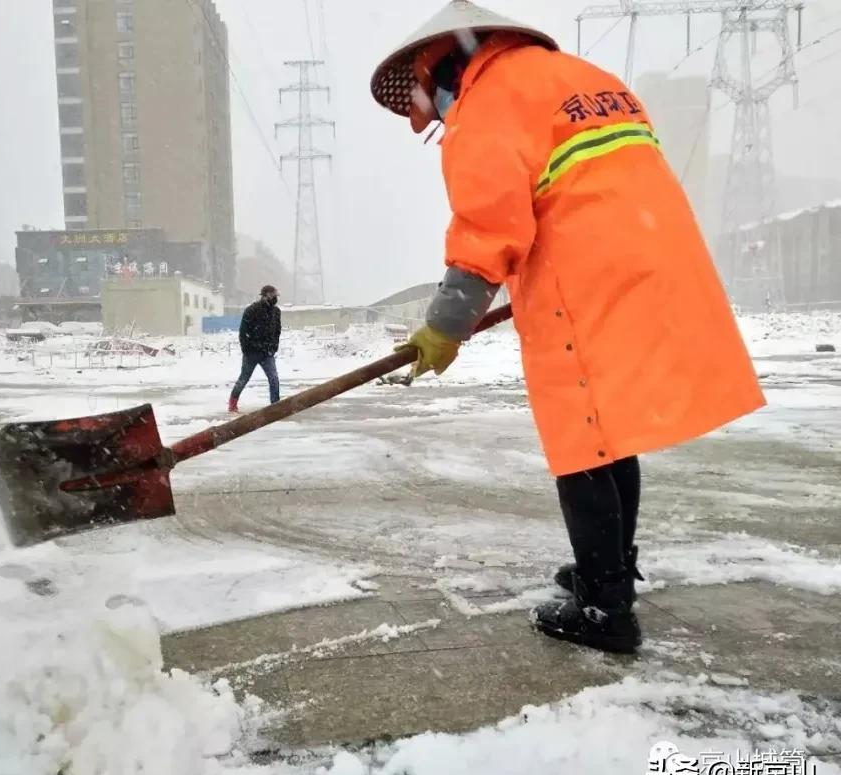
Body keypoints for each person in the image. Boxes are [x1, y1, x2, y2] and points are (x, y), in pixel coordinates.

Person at [371, 1, 765, 653]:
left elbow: (487, 226)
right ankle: (606, 566)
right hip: (652, 261)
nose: (436, 118)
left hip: (581, 280)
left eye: (426, 101)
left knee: (581, 437)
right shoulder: (583, 76)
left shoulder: (487, 102)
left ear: (440, 65)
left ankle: (606, 609)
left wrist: (444, 325)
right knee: (611, 428)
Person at [229, 285, 282, 412]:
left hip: (267, 353)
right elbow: (243, 332)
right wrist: (246, 349)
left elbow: (277, 332)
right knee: (243, 379)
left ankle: (276, 406)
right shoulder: (251, 310)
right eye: (273, 296)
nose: (275, 298)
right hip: (251, 353)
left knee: (274, 379)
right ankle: (232, 403)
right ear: (265, 296)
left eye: (276, 296)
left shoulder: (276, 312)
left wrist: (273, 348)